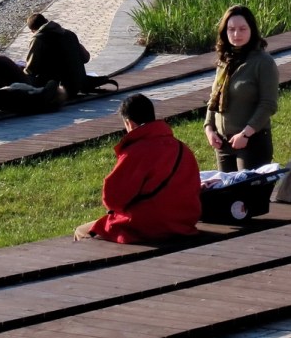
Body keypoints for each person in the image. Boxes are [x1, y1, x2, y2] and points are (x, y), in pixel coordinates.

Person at [73, 93, 201, 244]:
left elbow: (112, 199)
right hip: (184, 222)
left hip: (146, 226)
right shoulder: (181, 148)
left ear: (129, 123)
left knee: (81, 231)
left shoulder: (135, 152)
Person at [204, 4, 279, 171]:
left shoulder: (263, 62)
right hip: (223, 143)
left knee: (248, 188)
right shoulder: (225, 61)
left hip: (251, 142)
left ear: (252, 30)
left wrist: (245, 133)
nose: (236, 34)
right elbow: (214, 97)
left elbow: (268, 104)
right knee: (227, 188)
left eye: (242, 29)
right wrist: (209, 128)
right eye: (231, 29)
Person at [25, 12, 117, 98]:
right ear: (46, 21)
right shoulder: (69, 34)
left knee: (25, 79)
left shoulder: (38, 40)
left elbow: (31, 69)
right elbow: (86, 58)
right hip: (79, 85)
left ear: (33, 30)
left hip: (60, 88)